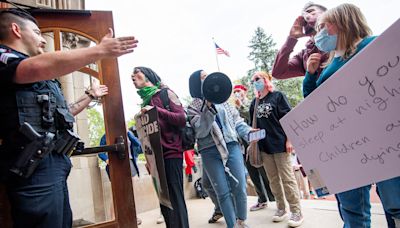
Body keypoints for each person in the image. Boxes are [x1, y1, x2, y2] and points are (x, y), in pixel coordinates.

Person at [0, 9, 138, 228]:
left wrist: (90, 96)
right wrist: (99, 51)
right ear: (16, 30)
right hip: (32, 170)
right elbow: (36, 67)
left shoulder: (35, 70)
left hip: (53, 165)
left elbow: (64, 112)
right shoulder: (5, 58)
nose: (42, 40)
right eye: (37, 32)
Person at [303, 3, 400, 227]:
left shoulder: (376, 45)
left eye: (323, 27)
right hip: (347, 149)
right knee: (352, 211)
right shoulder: (329, 65)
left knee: (394, 204)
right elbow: (314, 105)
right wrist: (309, 76)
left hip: (386, 141)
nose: (320, 34)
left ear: (341, 24)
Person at [187, 70, 253, 228]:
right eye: (203, 77)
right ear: (196, 83)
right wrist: (208, 108)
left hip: (231, 146)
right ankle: (232, 225)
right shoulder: (193, 106)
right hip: (209, 151)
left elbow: (237, 122)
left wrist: (250, 132)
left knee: (240, 187)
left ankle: (241, 220)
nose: (208, 78)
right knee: (222, 192)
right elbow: (200, 131)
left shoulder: (224, 101)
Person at [131, 66, 189, 228]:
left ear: (148, 75)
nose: (133, 77)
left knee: (176, 199)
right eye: (131, 76)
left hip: (172, 154)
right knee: (164, 202)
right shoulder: (145, 101)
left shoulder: (165, 94)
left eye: (137, 73)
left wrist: (156, 111)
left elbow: (181, 118)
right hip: (155, 158)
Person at [249, 71, 303, 227]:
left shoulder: (278, 96)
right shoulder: (255, 102)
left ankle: (296, 211)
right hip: (264, 148)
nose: (255, 82)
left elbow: (288, 119)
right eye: (253, 80)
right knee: (273, 180)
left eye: (257, 78)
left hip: (280, 144)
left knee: (288, 179)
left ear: (266, 80)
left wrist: (289, 139)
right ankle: (281, 208)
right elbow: (254, 126)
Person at [233, 84, 275, 211]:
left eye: (239, 91)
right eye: (234, 92)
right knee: (253, 173)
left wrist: (241, 105)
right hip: (244, 146)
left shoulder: (252, 103)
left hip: (256, 142)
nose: (236, 94)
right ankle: (262, 199)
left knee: (264, 171)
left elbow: (251, 117)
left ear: (245, 92)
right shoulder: (233, 108)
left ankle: (274, 197)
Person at [272, 2, 328, 80]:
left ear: (327, 14)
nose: (307, 17)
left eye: (312, 12)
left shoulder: (344, 35)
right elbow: (278, 73)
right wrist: (291, 39)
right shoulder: (304, 56)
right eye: (303, 19)